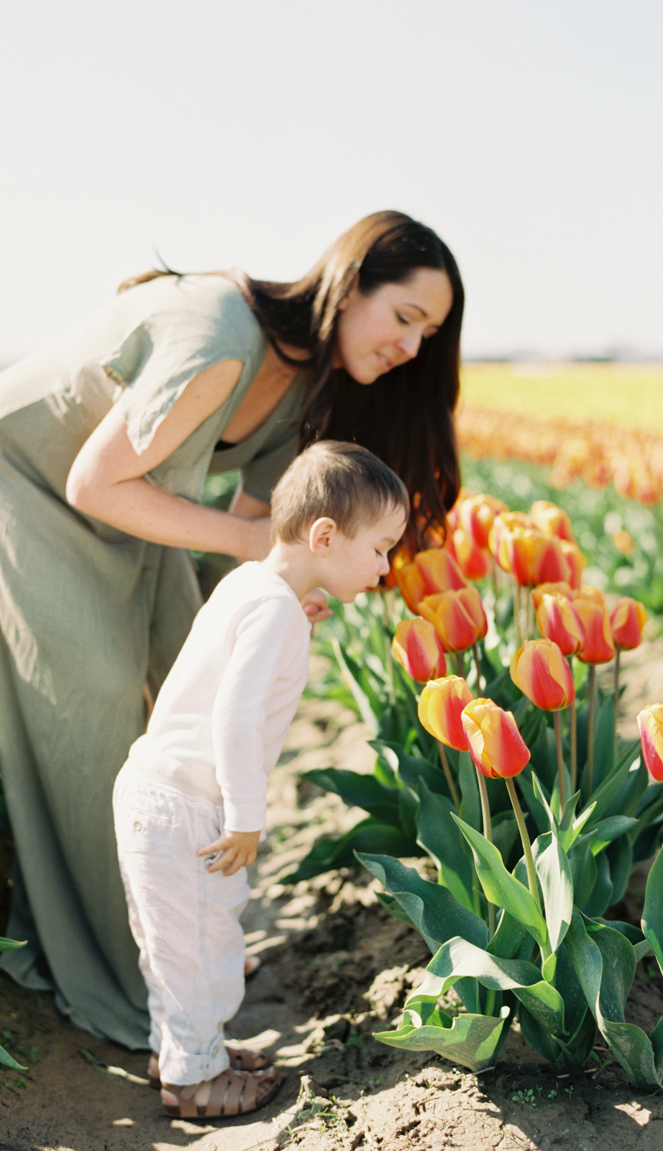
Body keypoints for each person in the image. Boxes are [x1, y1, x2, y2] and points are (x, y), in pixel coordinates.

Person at [0, 209, 463, 1050]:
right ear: (348, 280)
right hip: (27, 485)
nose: (411, 348)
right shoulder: (222, 335)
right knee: (100, 701)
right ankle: (117, 971)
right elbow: (94, 481)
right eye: (405, 317)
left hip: (140, 513)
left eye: (428, 336)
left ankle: (176, 931)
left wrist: (287, 592)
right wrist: (258, 547)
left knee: (186, 665)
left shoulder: (306, 395)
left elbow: (258, 551)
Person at [113, 441, 409, 1118]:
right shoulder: (273, 609)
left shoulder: (252, 587)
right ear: (326, 535)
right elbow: (236, 720)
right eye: (381, 548)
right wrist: (246, 815)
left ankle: (182, 1049)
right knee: (203, 946)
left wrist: (290, 618)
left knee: (172, 942)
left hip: (153, 787)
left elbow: (227, 655)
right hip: (189, 803)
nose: (386, 568)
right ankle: (195, 1082)